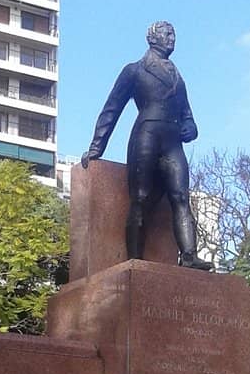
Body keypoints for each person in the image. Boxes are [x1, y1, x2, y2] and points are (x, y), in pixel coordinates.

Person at [81, 20, 202, 267]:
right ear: (152, 38)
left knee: (180, 196)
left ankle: (189, 257)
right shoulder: (135, 70)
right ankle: (134, 260)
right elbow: (111, 109)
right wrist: (97, 147)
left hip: (172, 142)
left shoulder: (178, 78)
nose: (172, 38)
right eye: (167, 34)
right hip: (146, 136)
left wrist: (191, 127)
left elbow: (188, 114)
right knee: (141, 198)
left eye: (173, 34)